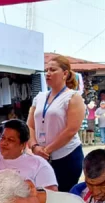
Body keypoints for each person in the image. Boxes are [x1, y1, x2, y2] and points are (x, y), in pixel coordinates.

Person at [27, 55, 86, 192]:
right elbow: (29, 125)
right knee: (41, 197)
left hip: (66, 156)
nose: (48, 73)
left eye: (52, 70)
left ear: (65, 73)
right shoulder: (40, 97)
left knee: (62, 197)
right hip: (40, 156)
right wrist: (35, 146)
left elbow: (71, 129)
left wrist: (47, 150)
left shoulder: (73, 97)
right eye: (46, 70)